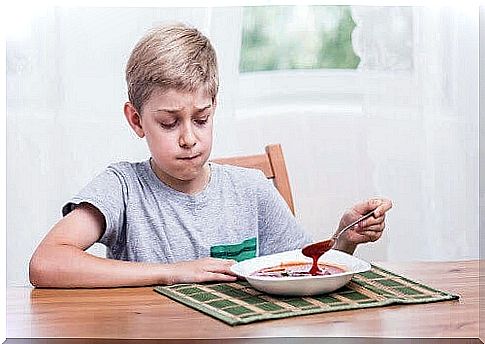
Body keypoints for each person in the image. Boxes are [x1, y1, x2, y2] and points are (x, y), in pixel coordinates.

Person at [29, 23, 392, 288]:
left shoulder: (250, 190)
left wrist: (344, 238)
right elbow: (47, 263)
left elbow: (301, 269)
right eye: (169, 123)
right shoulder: (123, 188)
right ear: (136, 120)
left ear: (214, 108)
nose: (189, 138)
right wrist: (173, 271)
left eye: (201, 119)